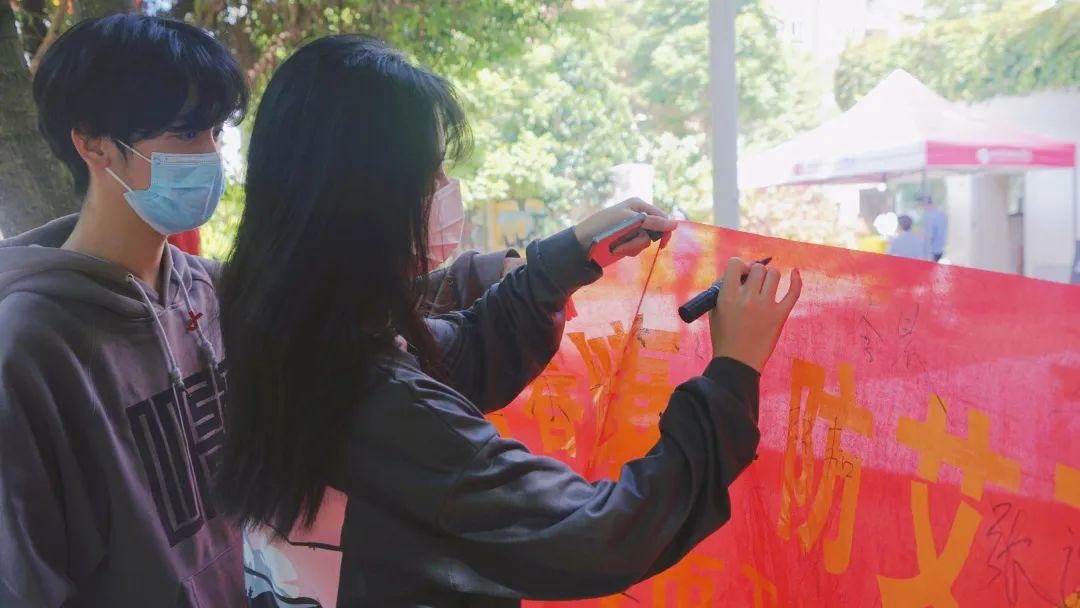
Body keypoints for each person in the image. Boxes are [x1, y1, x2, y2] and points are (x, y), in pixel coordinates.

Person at [216, 35, 802, 606]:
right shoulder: (379, 403)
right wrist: (731, 377)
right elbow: (599, 534)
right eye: (430, 174)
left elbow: (464, 352)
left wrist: (567, 258)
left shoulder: (274, 331)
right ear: (362, 198)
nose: (445, 192)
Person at [0, 15, 248, 607]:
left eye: (214, 132)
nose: (209, 155)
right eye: (185, 133)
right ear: (93, 143)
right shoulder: (28, 346)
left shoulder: (210, 291)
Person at [919, 194, 948, 262]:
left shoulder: (930, 216)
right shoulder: (941, 214)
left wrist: (921, 235)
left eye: (920, 204)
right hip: (940, 250)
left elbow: (930, 236)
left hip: (932, 251)